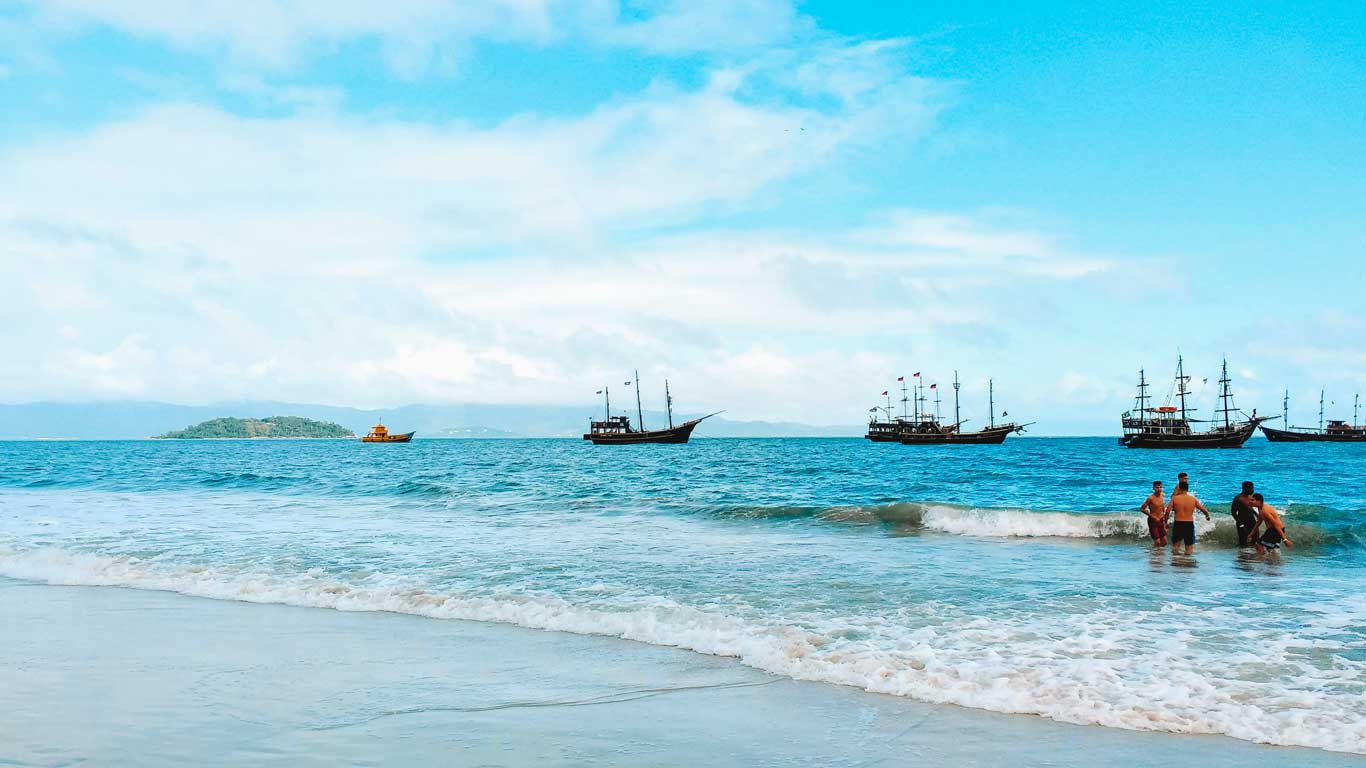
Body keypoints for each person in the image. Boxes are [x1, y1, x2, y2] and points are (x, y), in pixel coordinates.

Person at [1166, 480, 1210, 554]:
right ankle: (1187, 562)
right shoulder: (1193, 499)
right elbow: (1203, 509)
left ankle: (1176, 562)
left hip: (1178, 523)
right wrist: (1207, 515)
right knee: (1189, 547)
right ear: (1187, 489)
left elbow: (1167, 511)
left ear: (1179, 488)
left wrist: (1165, 522)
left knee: (1175, 546)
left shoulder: (1174, 499)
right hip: (1189, 524)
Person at [1230, 481, 1259, 547]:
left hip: (1252, 521)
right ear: (1245, 488)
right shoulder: (1238, 498)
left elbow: (1250, 508)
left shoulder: (1250, 497)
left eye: (1253, 488)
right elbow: (1233, 512)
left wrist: (1257, 515)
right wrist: (1240, 524)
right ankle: (1242, 555)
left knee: (1256, 540)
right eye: (1251, 488)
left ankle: (1253, 555)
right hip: (1243, 522)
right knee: (1243, 542)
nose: (1253, 490)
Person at [1139, 480, 1167, 545]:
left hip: (1161, 520)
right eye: (1157, 487)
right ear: (1153, 488)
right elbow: (1142, 509)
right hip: (1153, 521)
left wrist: (1164, 519)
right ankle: (1155, 554)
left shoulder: (1162, 495)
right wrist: (1152, 516)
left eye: (1160, 487)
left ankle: (1158, 553)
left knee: (1165, 542)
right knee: (1157, 542)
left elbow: (1162, 506)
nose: (1159, 489)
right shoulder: (1150, 498)